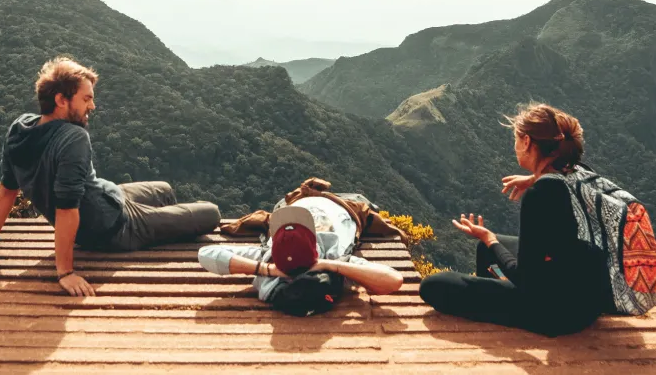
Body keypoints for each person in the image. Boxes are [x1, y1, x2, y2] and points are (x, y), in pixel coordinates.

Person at [0, 57, 222, 296]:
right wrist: (65, 272)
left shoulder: (20, 128)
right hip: (113, 227)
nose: (93, 106)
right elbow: (66, 208)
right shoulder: (73, 137)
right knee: (212, 213)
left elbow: (8, 187)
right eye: (86, 99)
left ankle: (167, 221)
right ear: (61, 100)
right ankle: (162, 224)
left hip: (107, 196)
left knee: (164, 189)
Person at [419, 102, 616, 336]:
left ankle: (506, 306)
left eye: (516, 139)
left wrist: (490, 238)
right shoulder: (579, 172)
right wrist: (535, 177)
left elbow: (526, 279)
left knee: (433, 285)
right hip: (589, 301)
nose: (514, 146)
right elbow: (560, 186)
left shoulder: (539, 196)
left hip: (558, 315)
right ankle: (499, 298)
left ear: (527, 142)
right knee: (485, 249)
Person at [198, 194, 404, 307]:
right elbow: (393, 281)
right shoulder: (334, 257)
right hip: (343, 204)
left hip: (292, 202)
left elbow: (205, 254)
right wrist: (328, 264)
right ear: (315, 242)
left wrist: (267, 269)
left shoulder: (268, 259)